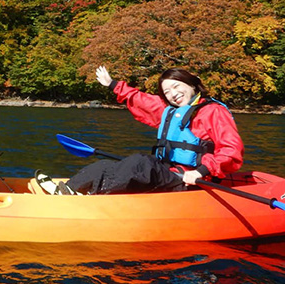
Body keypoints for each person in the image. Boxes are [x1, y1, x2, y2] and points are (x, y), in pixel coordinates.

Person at [40, 66, 244, 195]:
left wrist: (200, 172)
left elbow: (231, 151)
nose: (173, 94)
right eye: (167, 91)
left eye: (176, 86)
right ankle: (68, 189)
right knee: (105, 165)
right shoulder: (171, 111)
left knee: (140, 163)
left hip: (192, 180)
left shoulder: (213, 112)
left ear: (192, 84)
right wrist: (112, 84)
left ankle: (91, 197)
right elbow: (141, 100)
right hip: (169, 172)